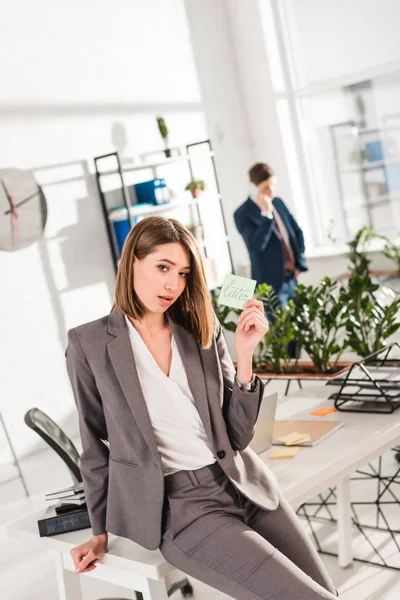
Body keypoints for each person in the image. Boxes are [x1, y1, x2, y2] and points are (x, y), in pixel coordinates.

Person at [66, 216, 339, 599]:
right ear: (132, 262)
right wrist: (99, 532)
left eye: (182, 273)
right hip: (184, 510)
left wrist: (245, 356)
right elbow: (93, 446)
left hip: (246, 485)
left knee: (328, 595)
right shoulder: (89, 344)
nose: (172, 285)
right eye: (163, 267)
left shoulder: (199, 329)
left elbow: (238, 436)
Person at [234, 163, 308, 308]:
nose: (271, 192)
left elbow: (297, 233)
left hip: (292, 279)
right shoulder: (242, 214)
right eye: (266, 188)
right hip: (270, 286)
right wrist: (266, 215)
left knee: (303, 327)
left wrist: (299, 263)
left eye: (272, 186)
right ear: (255, 188)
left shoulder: (278, 203)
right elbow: (256, 246)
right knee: (281, 330)